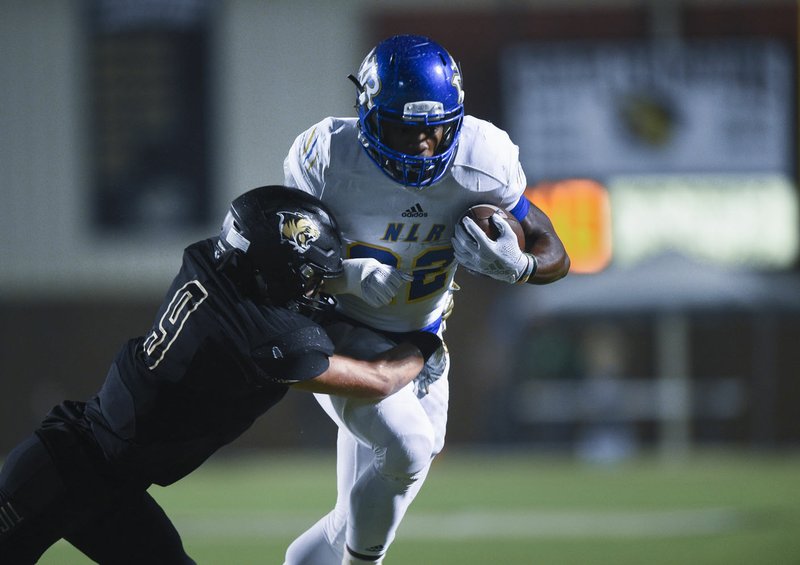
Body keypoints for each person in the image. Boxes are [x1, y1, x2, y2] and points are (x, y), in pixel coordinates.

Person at [0, 185, 441, 565]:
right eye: (309, 279)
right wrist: (425, 342)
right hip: (60, 474)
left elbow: (272, 266)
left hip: (110, 481)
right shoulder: (267, 339)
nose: (316, 289)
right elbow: (380, 379)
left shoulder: (211, 259)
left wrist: (338, 277)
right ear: (278, 272)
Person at [281, 35, 570, 564]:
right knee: (407, 449)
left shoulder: (484, 159)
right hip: (338, 331)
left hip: (422, 344)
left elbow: (557, 250)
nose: (423, 146)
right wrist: (343, 276)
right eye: (404, 129)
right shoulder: (328, 159)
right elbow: (277, 264)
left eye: (436, 130)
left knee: (353, 515)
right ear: (367, 114)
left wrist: (521, 265)